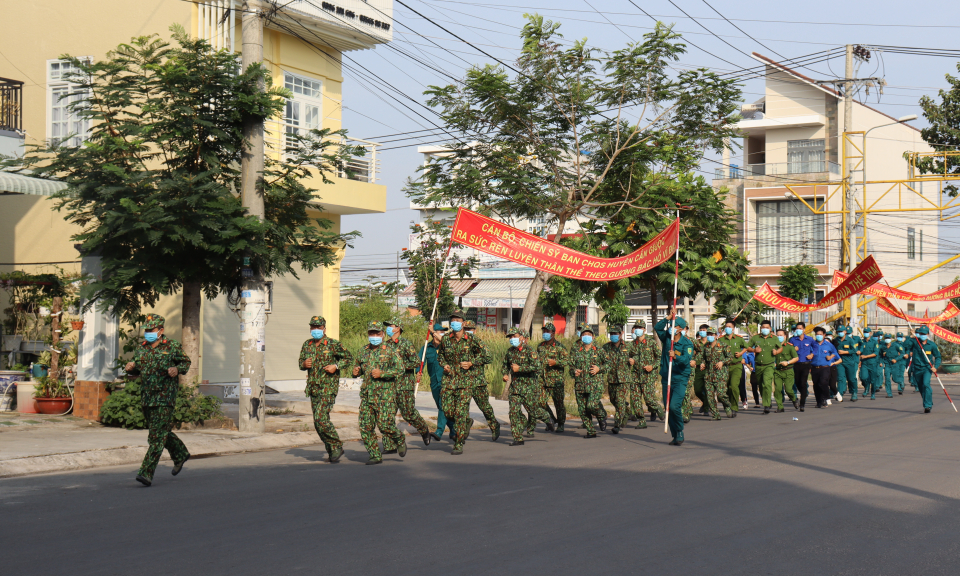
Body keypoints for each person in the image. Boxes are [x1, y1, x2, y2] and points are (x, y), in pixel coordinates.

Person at [124, 314, 192, 487]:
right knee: (159, 433)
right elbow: (137, 368)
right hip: (147, 397)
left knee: (156, 437)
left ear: (161, 331)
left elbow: (185, 362)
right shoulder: (142, 348)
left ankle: (146, 473)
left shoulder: (172, 346)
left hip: (165, 397)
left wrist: (177, 369)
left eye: (151, 330)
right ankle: (180, 453)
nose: (148, 333)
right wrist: (130, 368)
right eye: (146, 330)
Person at [298, 315, 352, 464]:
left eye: (318, 327)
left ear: (324, 329)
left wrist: (336, 366)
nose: (315, 330)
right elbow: (300, 363)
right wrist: (304, 364)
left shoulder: (333, 344)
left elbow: (348, 358)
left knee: (321, 418)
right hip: (313, 388)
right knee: (318, 422)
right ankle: (332, 449)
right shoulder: (307, 344)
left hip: (328, 387)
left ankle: (336, 445)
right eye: (313, 327)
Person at [353, 322, 407, 465]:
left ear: (382, 334)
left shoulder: (390, 350)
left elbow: (400, 370)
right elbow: (358, 367)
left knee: (384, 425)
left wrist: (382, 373)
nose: (374, 336)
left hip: (385, 395)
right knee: (365, 426)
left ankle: (399, 438)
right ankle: (375, 455)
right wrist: (355, 372)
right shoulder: (363, 350)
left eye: (377, 334)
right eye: (372, 334)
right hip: (367, 395)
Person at [382, 318, 433, 453]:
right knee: (387, 415)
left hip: (404, 385)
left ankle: (424, 430)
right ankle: (389, 445)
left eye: (390, 326)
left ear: (398, 328)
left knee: (408, 413)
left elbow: (416, 362)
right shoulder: (385, 345)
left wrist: (401, 366)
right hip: (389, 385)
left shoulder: (405, 344)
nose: (388, 329)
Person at [437, 310, 479, 454]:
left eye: (457, 320)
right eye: (452, 320)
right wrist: (444, 364)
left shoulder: (472, 340)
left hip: (465, 383)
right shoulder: (446, 339)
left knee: (460, 413)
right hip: (449, 381)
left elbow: (487, 356)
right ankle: (466, 422)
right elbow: (440, 356)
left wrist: (471, 363)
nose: (454, 322)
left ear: (464, 323)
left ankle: (459, 443)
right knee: (448, 411)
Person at [502, 328, 551, 445]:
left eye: (514, 336)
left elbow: (537, 367)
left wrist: (520, 369)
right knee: (513, 412)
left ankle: (547, 418)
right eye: (510, 337)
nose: (512, 339)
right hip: (515, 388)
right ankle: (518, 438)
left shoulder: (530, 351)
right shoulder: (510, 352)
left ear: (522, 337)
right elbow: (505, 365)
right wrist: (504, 374)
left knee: (533, 411)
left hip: (529, 388)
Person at [654, 312, 693, 446]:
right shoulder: (666, 339)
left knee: (674, 406)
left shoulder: (687, 343)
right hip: (667, 376)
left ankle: (680, 430)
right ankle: (675, 435)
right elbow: (657, 328)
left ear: (680, 329)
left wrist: (675, 356)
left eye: (674, 326)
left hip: (680, 377)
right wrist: (667, 319)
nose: (671, 327)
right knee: (668, 408)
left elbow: (686, 360)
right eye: (670, 325)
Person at [464, 320, 500, 441]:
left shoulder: (479, 343)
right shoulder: (459, 343)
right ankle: (465, 426)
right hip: (463, 382)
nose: (468, 331)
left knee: (485, 407)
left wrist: (472, 362)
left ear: (475, 330)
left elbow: (488, 357)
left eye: (470, 329)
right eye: (466, 329)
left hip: (478, 382)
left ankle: (494, 425)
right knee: (462, 408)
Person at [570, 324, 607, 438]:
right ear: (580, 337)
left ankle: (601, 416)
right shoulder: (576, 351)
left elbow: (609, 364)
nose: (586, 336)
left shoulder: (599, 350)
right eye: (584, 334)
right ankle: (591, 431)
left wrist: (599, 368)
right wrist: (574, 371)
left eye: (589, 334)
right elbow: (570, 367)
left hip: (595, 385)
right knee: (582, 410)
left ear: (593, 337)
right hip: (580, 385)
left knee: (591, 405)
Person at [419, 324, 454, 441]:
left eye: (443, 332)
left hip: (446, 381)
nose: (442, 334)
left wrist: (433, 331)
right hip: (434, 382)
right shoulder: (426, 347)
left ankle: (439, 431)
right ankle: (454, 431)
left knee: (443, 406)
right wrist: (418, 372)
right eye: (440, 332)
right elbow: (420, 362)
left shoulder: (447, 346)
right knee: (442, 408)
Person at [628, 319, 664, 425]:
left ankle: (657, 408)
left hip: (648, 376)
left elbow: (659, 357)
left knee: (649, 399)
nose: (638, 330)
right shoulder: (631, 345)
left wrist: (652, 366)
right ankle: (642, 421)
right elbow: (627, 356)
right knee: (635, 400)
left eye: (640, 328)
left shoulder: (651, 343)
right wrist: (630, 360)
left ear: (644, 329)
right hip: (635, 375)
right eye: (636, 328)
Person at [601, 325, 634, 434]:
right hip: (612, 378)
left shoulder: (628, 346)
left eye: (616, 333)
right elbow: (599, 359)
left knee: (620, 402)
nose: (614, 336)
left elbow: (637, 356)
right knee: (613, 400)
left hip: (624, 379)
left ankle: (617, 424)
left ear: (621, 334)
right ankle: (627, 411)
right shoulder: (606, 347)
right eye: (612, 334)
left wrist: (633, 360)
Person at [537, 322, 568, 432]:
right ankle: (551, 419)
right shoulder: (540, 346)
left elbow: (566, 361)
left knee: (558, 403)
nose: (545, 333)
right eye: (544, 331)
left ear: (553, 333)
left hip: (556, 380)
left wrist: (556, 362)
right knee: (540, 401)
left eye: (547, 331)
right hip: (542, 380)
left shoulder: (560, 347)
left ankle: (561, 423)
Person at [746, 320, 780, 414]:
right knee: (761, 386)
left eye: (767, 327)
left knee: (767, 383)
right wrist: (754, 350)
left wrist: (776, 352)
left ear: (770, 328)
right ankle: (767, 400)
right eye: (763, 327)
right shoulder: (755, 338)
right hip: (758, 366)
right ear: (761, 328)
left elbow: (780, 347)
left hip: (769, 365)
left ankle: (766, 405)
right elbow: (747, 347)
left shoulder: (774, 338)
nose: (765, 329)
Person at [905, 326, 941, 413]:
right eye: (921, 334)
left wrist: (935, 367)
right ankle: (928, 401)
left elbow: (938, 357)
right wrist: (911, 337)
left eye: (924, 334)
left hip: (927, 368)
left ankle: (927, 405)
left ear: (928, 334)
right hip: (917, 368)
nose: (922, 335)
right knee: (921, 388)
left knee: (926, 384)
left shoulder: (932, 345)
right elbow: (905, 346)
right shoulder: (915, 342)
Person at [700, 327, 734, 420]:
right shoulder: (706, 347)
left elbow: (730, 357)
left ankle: (727, 406)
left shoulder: (723, 345)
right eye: (709, 334)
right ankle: (715, 415)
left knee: (721, 395)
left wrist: (722, 362)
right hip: (709, 375)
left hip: (720, 375)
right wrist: (702, 363)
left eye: (712, 334)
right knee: (710, 396)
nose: (710, 336)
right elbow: (703, 358)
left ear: (716, 336)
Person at [720, 319, 748, 415]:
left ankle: (734, 407)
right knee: (726, 388)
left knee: (733, 386)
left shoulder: (739, 338)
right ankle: (728, 405)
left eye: (729, 327)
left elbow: (746, 347)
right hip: (725, 367)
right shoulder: (721, 339)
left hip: (737, 365)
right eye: (726, 326)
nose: (727, 328)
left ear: (733, 328)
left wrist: (740, 353)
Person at [809, 326, 839, 409]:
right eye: (817, 334)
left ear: (824, 335)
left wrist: (830, 357)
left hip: (825, 367)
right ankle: (819, 401)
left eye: (820, 334)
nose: (818, 336)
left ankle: (826, 397)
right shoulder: (813, 344)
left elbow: (834, 353)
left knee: (823, 382)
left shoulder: (829, 345)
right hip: (815, 367)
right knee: (816, 385)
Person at [789, 322, 815, 410]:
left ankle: (802, 403)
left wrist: (812, 354)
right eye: (797, 328)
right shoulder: (792, 340)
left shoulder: (810, 339)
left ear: (804, 329)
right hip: (796, 364)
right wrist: (793, 349)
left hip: (806, 364)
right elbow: (788, 349)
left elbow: (816, 347)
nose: (798, 330)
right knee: (797, 382)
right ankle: (804, 393)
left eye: (800, 328)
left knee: (803, 382)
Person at [773, 328, 799, 412]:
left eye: (781, 335)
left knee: (788, 389)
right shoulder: (774, 347)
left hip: (788, 370)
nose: (779, 337)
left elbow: (796, 358)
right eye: (778, 335)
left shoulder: (789, 347)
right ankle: (780, 407)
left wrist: (787, 362)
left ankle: (794, 399)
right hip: (777, 371)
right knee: (777, 389)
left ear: (785, 336)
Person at [834, 325, 860, 401]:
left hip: (849, 362)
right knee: (840, 378)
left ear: (845, 332)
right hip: (840, 362)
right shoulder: (836, 340)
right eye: (838, 331)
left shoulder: (850, 340)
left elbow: (854, 350)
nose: (840, 333)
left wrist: (845, 352)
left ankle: (854, 392)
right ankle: (840, 394)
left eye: (841, 331)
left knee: (851, 379)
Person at [691, 324, 711, 415]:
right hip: (698, 368)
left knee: (707, 389)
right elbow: (692, 353)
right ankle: (706, 402)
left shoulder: (711, 342)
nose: (702, 331)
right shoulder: (696, 342)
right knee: (698, 389)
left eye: (704, 330)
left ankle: (706, 408)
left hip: (708, 369)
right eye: (701, 330)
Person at [860, 328, 881, 400]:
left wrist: (866, 356)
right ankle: (866, 387)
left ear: (870, 333)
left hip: (872, 363)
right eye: (864, 332)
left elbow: (875, 353)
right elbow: (861, 349)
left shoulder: (875, 342)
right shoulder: (862, 342)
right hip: (864, 363)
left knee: (873, 380)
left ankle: (872, 393)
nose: (865, 333)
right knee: (863, 377)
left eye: (867, 332)